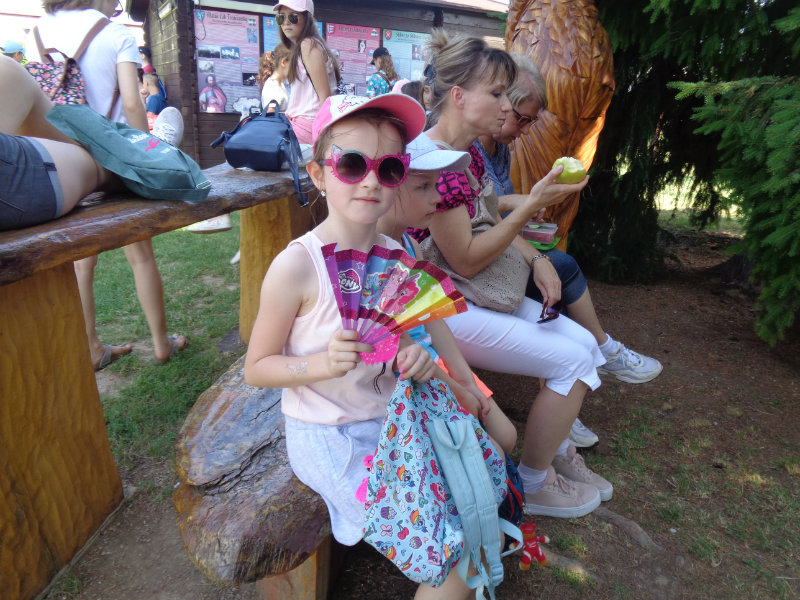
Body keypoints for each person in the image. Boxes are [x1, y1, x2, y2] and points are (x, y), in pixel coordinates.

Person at [245, 93, 491, 599]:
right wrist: (321, 363)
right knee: (454, 562)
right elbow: (258, 367)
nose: (372, 180)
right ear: (319, 175)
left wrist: (413, 358)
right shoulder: (297, 266)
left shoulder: (393, 254)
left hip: (393, 420)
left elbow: (396, 343)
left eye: (390, 167)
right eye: (352, 164)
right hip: (330, 436)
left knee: (470, 508)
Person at [411, 30, 613, 518]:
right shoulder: (436, 162)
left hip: (462, 296)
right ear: (459, 96)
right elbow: (465, 259)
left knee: (586, 347)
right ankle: (535, 483)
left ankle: (554, 453)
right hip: (441, 310)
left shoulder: (463, 153)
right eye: (498, 94)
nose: (507, 106)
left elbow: (481, 222)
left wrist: (533, 235)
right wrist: (530, 205)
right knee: (573, 362)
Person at [475, 53, 663, 389]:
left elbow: (492, 211)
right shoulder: (467, 151)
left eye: (531, 122)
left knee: (555, 277)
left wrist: (527, 207)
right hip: (476, 268)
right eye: (522, 119)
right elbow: (478, 218)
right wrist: (534, 248)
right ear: (501, 103)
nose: (525, 131)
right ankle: (600, 354)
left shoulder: (499, 147)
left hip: (496, 249)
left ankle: (571, 378)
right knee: (559, 267)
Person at [27, 0, 188, 370]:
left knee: (82, 262)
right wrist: (145, 158)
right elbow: (132, 104)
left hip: (68, 163)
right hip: (113, 162)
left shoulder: (36, 33)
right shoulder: (115, 34)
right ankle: (161, 343)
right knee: (140, 254)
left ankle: (92, 347)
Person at [377, 131, 517, 457]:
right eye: (423, 187)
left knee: (507, 436)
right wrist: (460, 393)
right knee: (494, 452)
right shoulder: (376, 262)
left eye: (437, 184)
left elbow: (433, 319)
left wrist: (466, 379)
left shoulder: (410, 246)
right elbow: (402, 353)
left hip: (436, 363)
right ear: (390, 185)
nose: (438, 197)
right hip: (410, 377)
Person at [276, 0, 340, 144]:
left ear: (307, 19)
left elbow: (325, 98)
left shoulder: (308, 45)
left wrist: (321, 139)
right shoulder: (306, 46)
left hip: (307, 127)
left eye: (293, 17)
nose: (286, 22)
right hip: (301, 125)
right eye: (281, 17)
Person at [258, 43, 291, 112]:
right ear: (284, 62)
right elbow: (271, 116)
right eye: (294, 64)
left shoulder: (281, 84)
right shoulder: (272, 88)